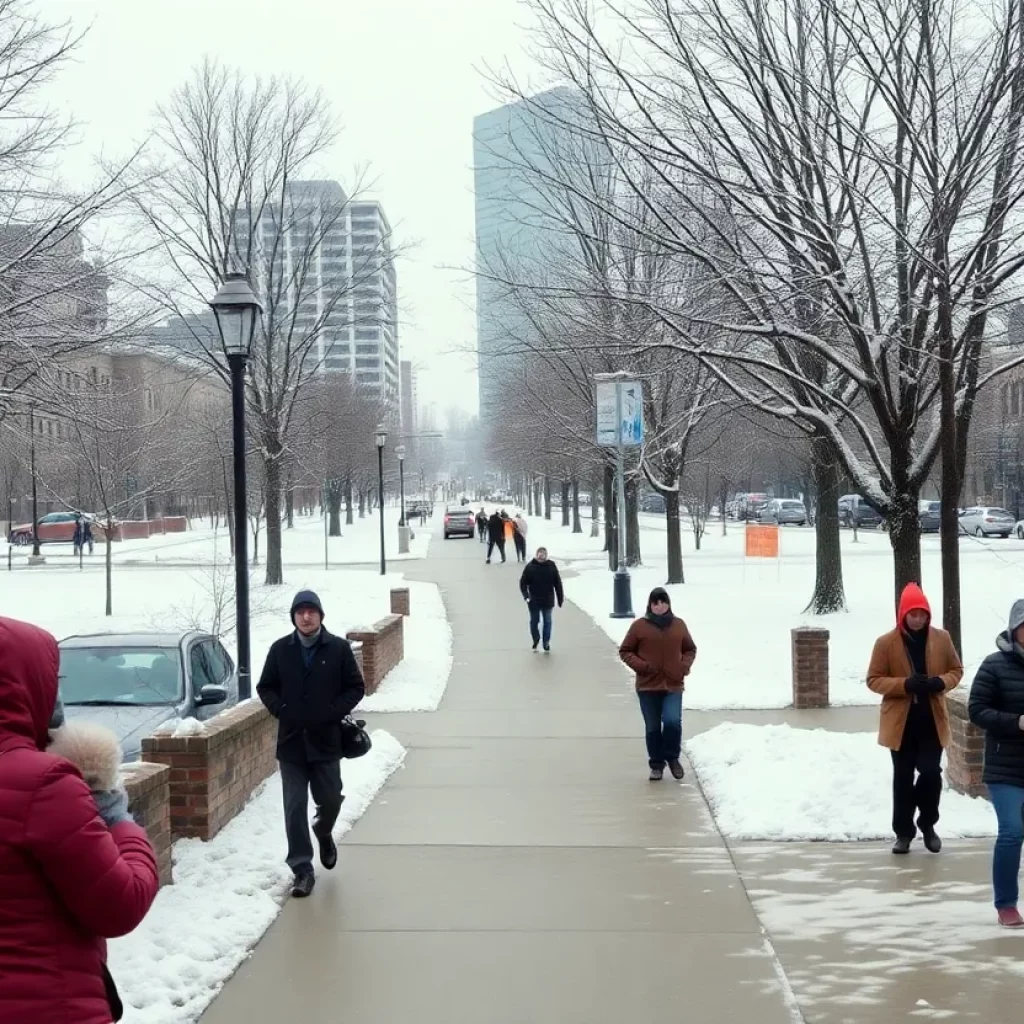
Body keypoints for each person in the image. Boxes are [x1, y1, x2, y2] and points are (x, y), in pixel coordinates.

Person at [0, 616, 160, 1024]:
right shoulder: (44, 783)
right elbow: (120, 905)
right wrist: (118, 819)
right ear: (27, 686)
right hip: (50, 1005)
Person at [257, 590, 365, 898]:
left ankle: (324, 831)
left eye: (311, 611)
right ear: (294, 617)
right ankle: (302, 869)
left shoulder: (338, 649)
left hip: (326, 742)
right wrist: (282, 709)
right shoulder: (281, 650)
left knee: (330, 799)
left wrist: (333, 711)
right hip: (291, 744)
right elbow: (266, 686)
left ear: (320, 615)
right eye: (300, 612)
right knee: (294, 808)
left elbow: (356, 687)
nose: (306, 617)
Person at [867, 582, 963, 855]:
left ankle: (927, 823)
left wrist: (939, 682)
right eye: (913, 614)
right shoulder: (886, 643)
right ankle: (903, 833)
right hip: (901, 724)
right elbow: (874, 680)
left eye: (923, 614)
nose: (918, 619)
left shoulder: (941, 638)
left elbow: (956, 670)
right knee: (903, 778)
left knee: (931, 773)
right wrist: (905, 684)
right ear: (903, 614)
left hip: (932, 720)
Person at [968, 599, 1024, 927]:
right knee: (1012, 832)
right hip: (1006, 767)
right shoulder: (994, 665)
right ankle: (1006, 904)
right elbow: (977, 710)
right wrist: (1016, 722)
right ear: (1014, 630)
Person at [618, 588, 697, 781]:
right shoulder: (639, 626)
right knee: (652, 727)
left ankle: (673, 758)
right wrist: (642, 666)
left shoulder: (679, 625)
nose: (660, 606)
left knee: (672, 722)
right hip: (648, 686)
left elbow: (690, 649)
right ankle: (656, 765)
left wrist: (683, 667)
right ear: (650, 605)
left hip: (673, 684)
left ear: (668, 604)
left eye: (663, 602)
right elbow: (625, 650)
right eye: (656, 603)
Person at [519, 546, 564, 651]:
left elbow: (557, 583)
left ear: (546, 556)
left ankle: (546, 642)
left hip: (548, 599)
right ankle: (536, 639)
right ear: (536, 555)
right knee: (534, 622)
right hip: (534, 600)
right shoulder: (530, 567)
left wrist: (560, 598)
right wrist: (526, 596)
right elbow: (523, 583)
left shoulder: (551, 566)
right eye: (539, 554)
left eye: (543, 554)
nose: (541, 556)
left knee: (547, 622)